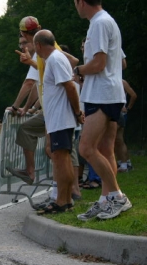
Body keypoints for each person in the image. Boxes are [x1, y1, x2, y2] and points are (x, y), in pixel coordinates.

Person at [73, 0, 132, 220]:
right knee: (106, 150)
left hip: (101, 94)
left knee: (86, 148)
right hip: (111, 93)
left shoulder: (98, 23)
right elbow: (121, 63)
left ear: (80, 2)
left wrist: (78, 69)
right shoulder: (108, 21)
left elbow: (98, 65)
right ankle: (105, 199)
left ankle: (117, 196)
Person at [7, 16, 79, 186]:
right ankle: (64, 191)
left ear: (23, 33)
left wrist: (76, 111)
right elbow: (41, 79)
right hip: (54, 107)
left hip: (58, 107)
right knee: (58, 150)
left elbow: (33, 82)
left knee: (59, 151)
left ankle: (68, 190)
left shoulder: (48, 51)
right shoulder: (46, 50)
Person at [32, 30, 83, 214]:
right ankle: (66, 199)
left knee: (61, 160)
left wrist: (77, 112)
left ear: (38, 45)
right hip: (58, 119)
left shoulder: (54, 59)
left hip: (61, 118)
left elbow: (69, 86)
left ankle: (62, 200)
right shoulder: (54, 59)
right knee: (63, 159)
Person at [115, 79, 137, 172]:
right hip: (115, 112)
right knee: (117, 139)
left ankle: (124, 164)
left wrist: (128, 108)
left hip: (119, 113)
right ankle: (125, 162)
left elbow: (133, 95)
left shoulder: (121, 82)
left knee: (116, 139)